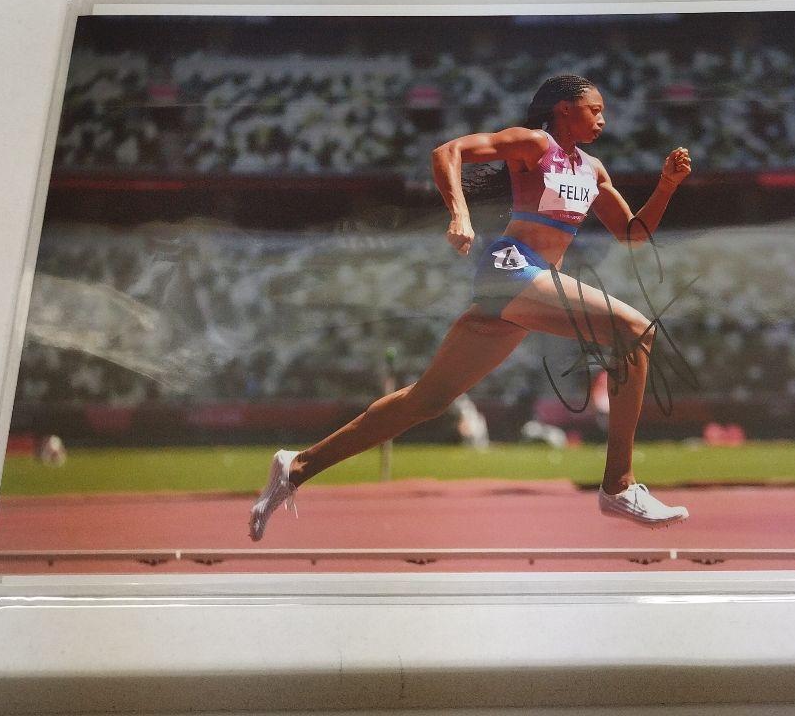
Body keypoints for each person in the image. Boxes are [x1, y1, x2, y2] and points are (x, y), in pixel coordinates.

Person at [249, 73, 692, 540]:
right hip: (511, 269)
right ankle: (618, 485)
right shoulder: (533, 144)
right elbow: (448, 152)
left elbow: (633, 234)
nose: (603, 119)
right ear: (564, 109)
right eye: (594, 109)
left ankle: (296, 466)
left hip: (531, 286)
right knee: (634, 331)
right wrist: (459, 213)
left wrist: (666, 185)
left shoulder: (593, 170)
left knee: (427, 400)